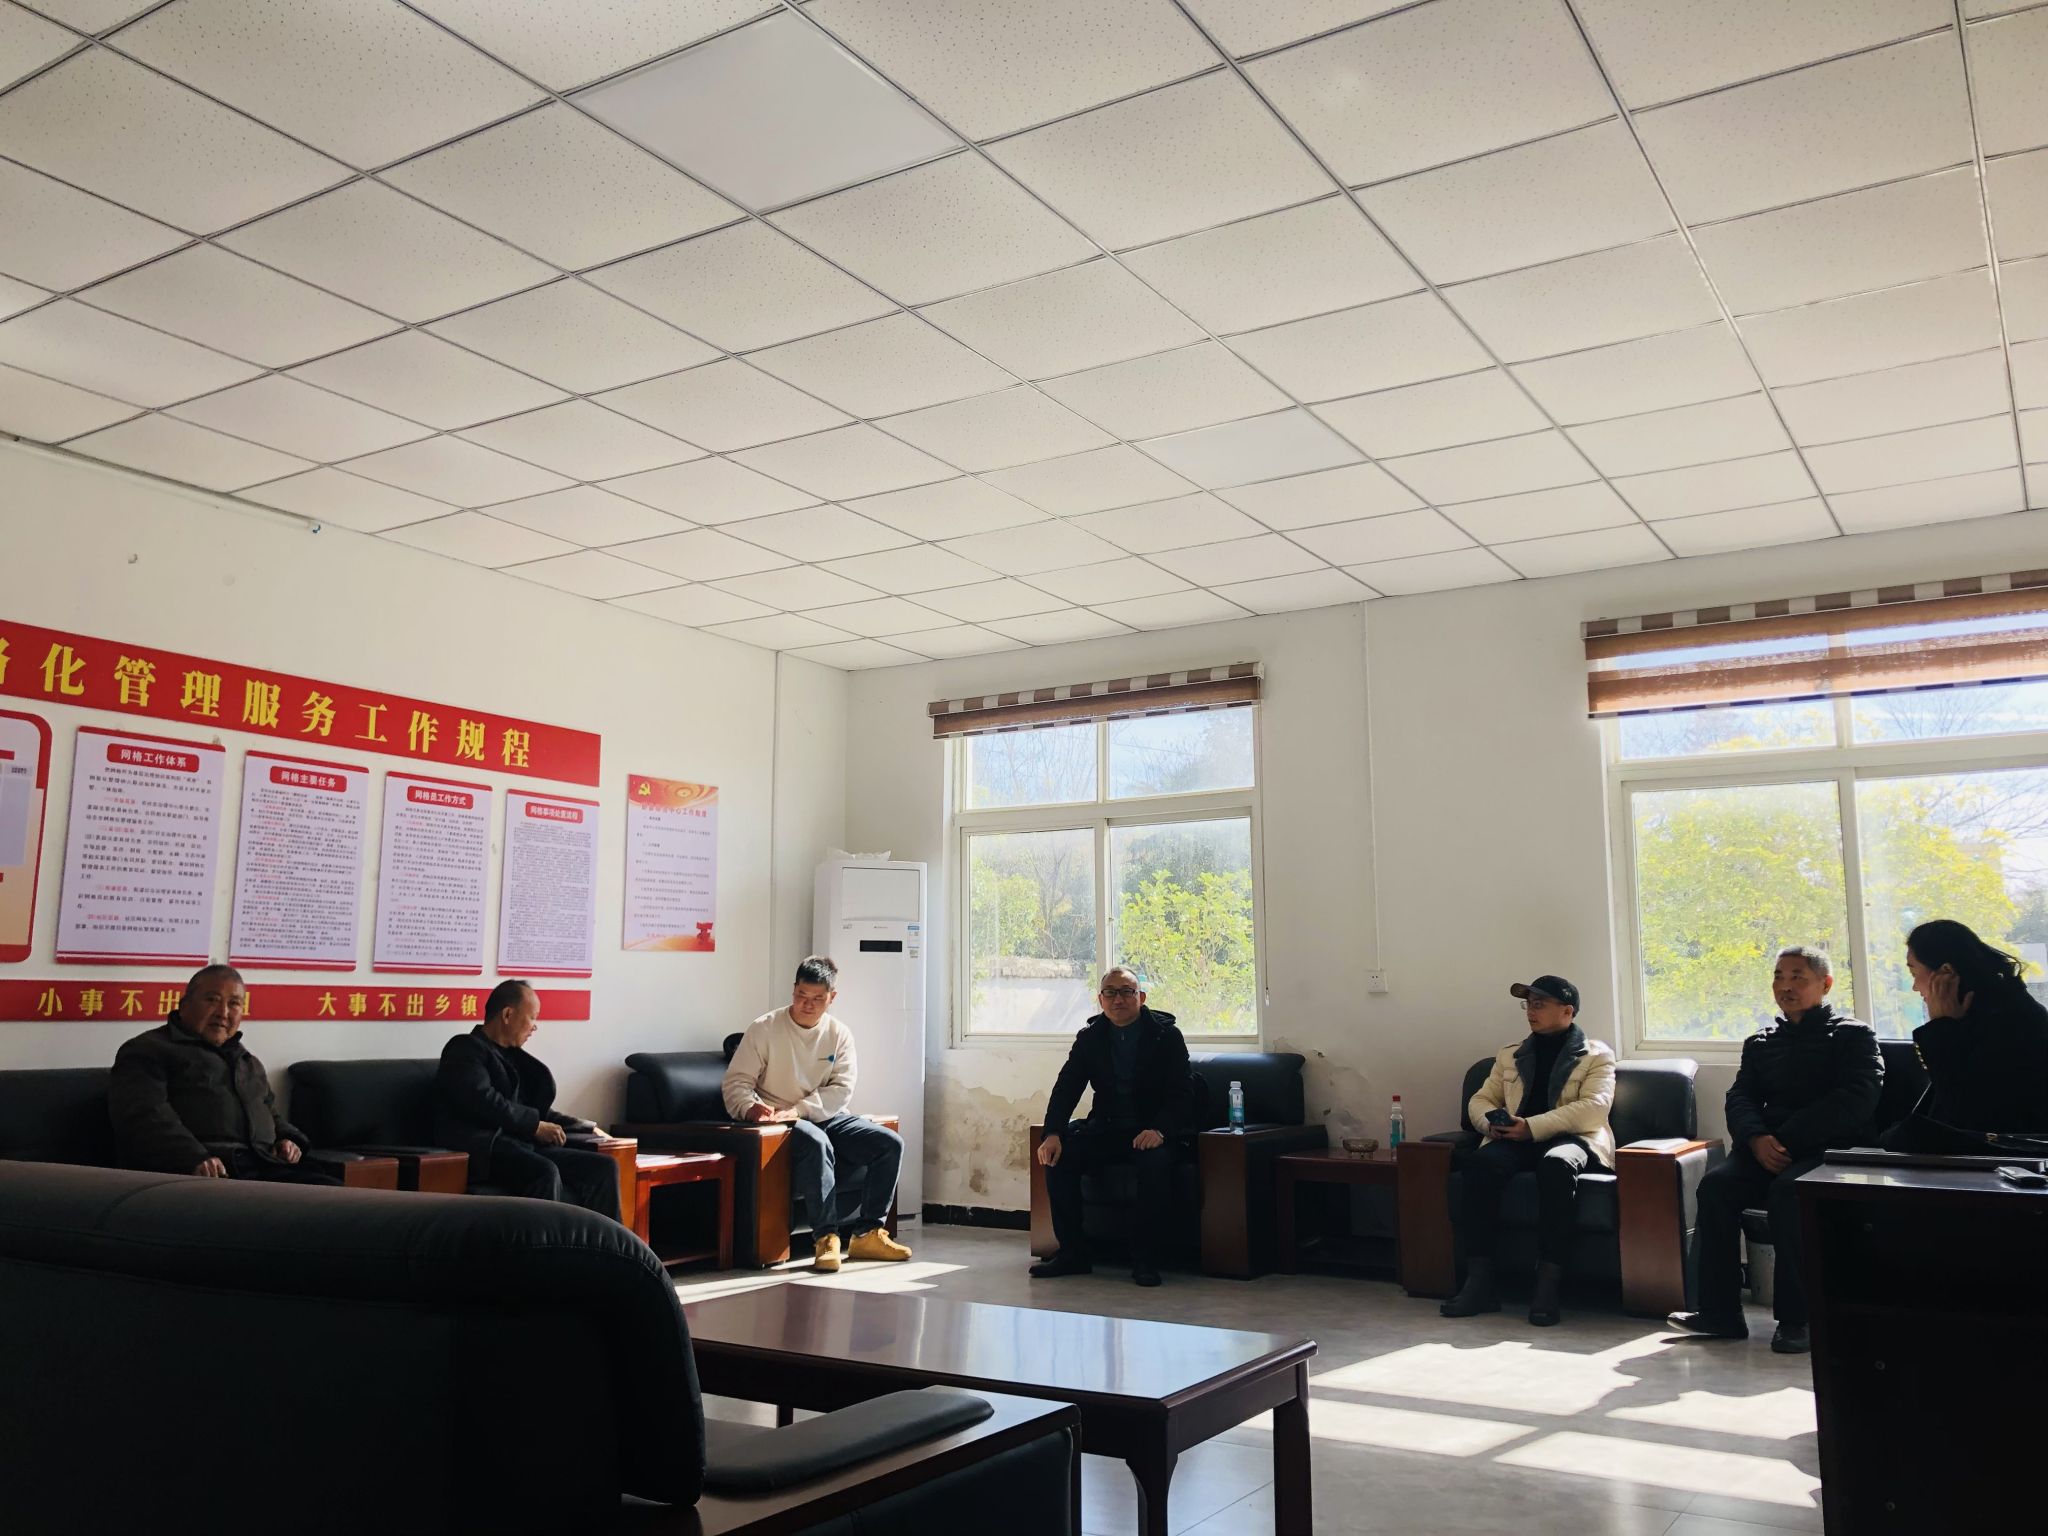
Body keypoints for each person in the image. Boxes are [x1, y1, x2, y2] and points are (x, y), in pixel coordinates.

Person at [1670, 946, 1881, 1354]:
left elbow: (1858, 1098)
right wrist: (1756, 1139)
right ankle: (1719, 1313)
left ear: (1825, 984)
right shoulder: (1761, 1042)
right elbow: (1740, 1096)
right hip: (1766, 1147)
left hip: (1829, 1150)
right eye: (1779, 977)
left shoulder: (1854, 1036)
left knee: (1789, 1193)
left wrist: (1785, 1139)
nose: (1786, 986)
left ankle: (1797, 1319)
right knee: (1716, 1187)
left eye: (1798, 977)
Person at [1440, 975, 1616, 1327]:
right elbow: (1481, 1099)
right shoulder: (1511, 1054)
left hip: (1571, 1137)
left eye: (1539, 1004)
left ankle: (1548, 1286)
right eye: (1528, 1004)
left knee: (1557, 1165)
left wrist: (1532, 1127)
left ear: (1567, 1011)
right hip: (1514, 1137)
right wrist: (1492, 1124)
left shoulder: (1597, 1055)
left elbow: (1595, 1107)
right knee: (1480, 1165)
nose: (1530, 1012)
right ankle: (1480, 1283)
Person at [723, 956, 911, 1272]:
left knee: (889, 1144)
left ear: (832, 997)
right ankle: (826, 1237)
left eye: (817, 999)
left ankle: (868, 1234)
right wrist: (751, 1108)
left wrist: (801, 1109)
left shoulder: (839, 1034)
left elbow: (841, 1089)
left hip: (824, 1113)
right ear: (793, 989)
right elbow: (736, 1083)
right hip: (779, 1120)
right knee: (816, 1142)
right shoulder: (764, 1028)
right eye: (801, 995)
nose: (807, 1005)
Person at [1028, 967, 1193, 1288]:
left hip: (1151, 1132)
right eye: (1110, 993)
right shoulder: (1090, 1038)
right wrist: (1053, 1133)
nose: (1119, 999)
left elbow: (1182, 1093)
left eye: (1126, 991)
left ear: (1141, 997)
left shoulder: (1166, 1036)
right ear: (1100, 999)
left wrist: (1160, 1130)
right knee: (1060, 1157)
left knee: (1154, 1165)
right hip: (1106, 1129)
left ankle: (1145, 1260)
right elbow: (1067, 1087)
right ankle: (1073, 1253)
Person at [109, 963, 339, 1184]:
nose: (223, 1013)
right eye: (212, 1000)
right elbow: (144, 1116)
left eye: (234, 1003)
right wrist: (192, 1157)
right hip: (207, 1171)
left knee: (339, 1196)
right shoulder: (148, 1049)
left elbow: (270, 1112)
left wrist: (287, 1139)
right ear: (184, 1004)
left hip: (265, 1165)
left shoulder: (246, 1060)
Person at [434, 979, 620, 1220]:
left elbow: (537, 1110)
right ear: (508, 1015)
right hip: (485, 1147)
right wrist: (534, 1126)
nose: (535, 1027)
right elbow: (484, 1100)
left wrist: (586, 1127)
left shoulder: (514, 1057)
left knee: (603, 1167)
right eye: (532, 1017)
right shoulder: (465, 1049)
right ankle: (543, 1245)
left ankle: (609, 1243)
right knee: (544, 1172)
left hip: (520, 1144)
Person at [1883, 919, 2048, 1150]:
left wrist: (1942, 1028)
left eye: (1914, 972)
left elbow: (1963, 1110)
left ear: (1946, 972)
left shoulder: (2008, 1020)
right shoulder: (1998, 1005)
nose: (1915, 987)